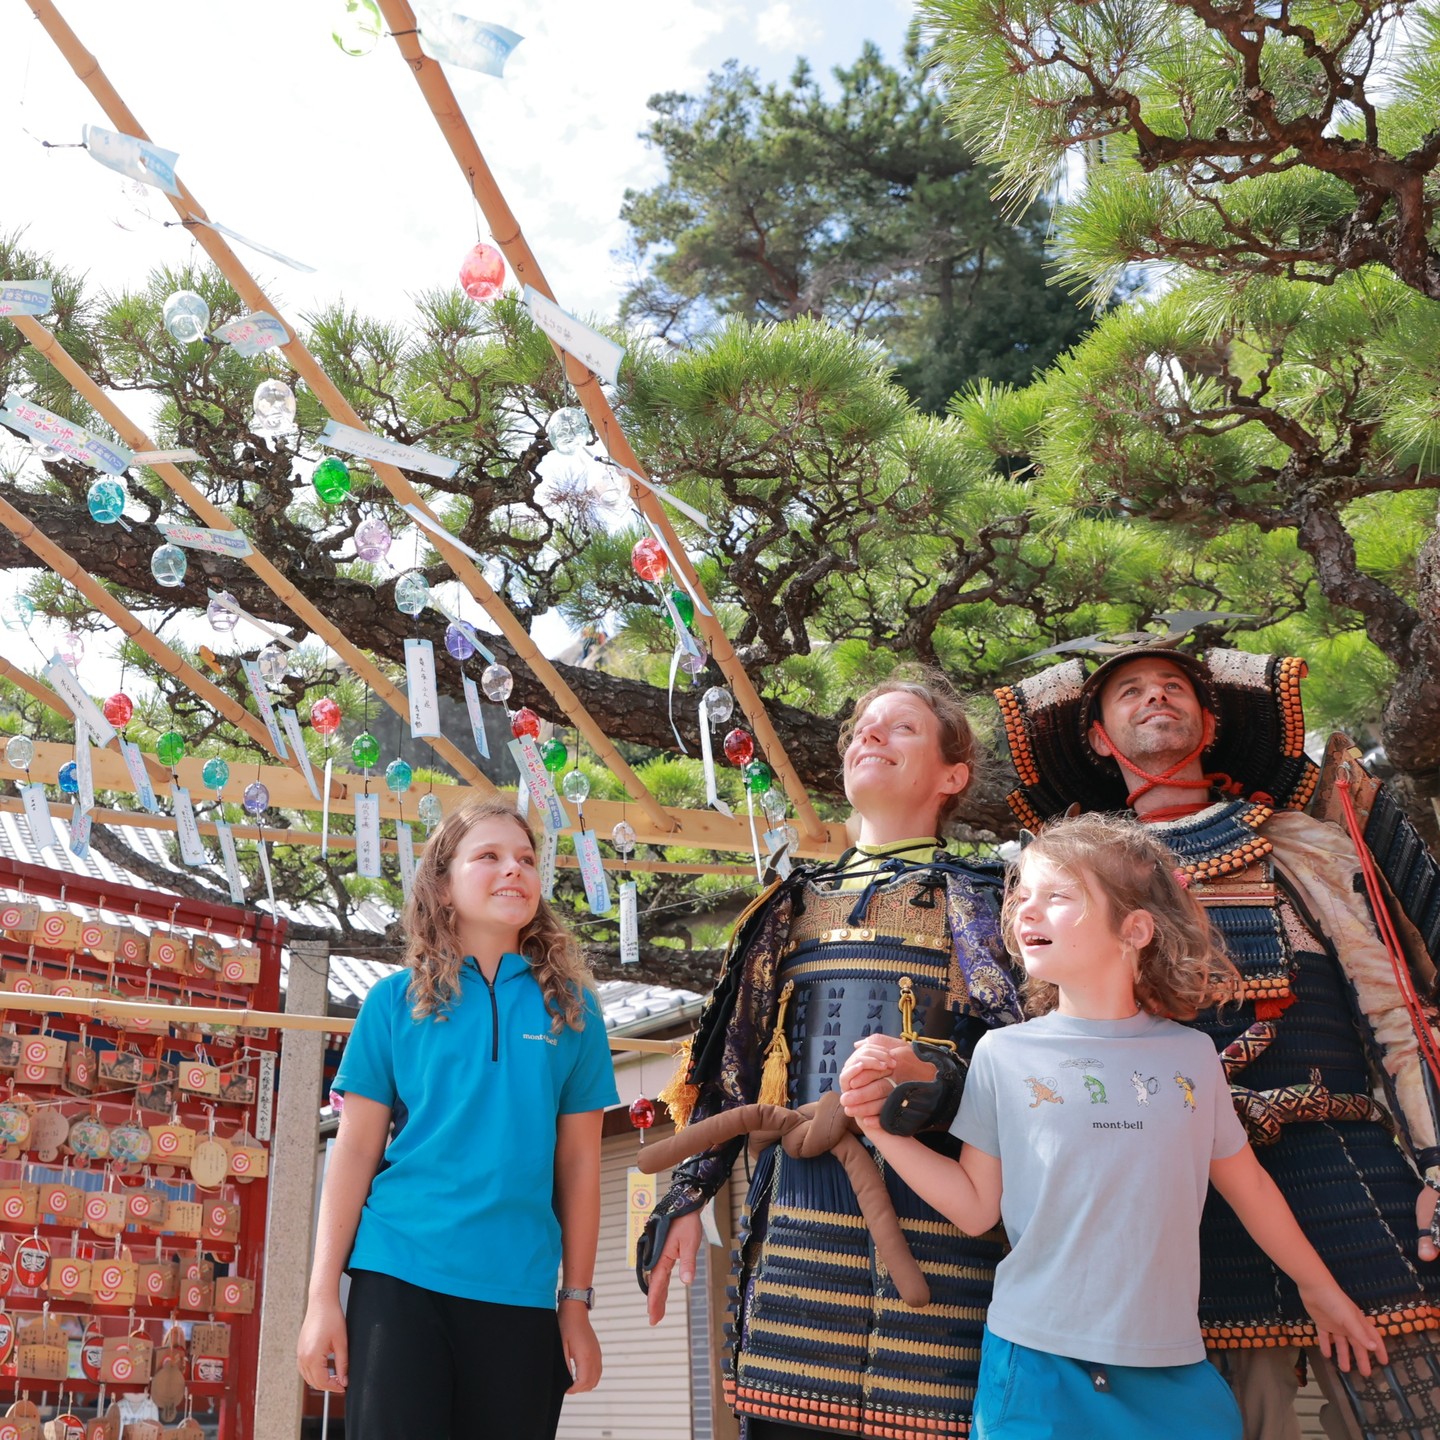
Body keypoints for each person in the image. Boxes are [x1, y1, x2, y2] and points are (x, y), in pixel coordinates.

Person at [994, 641, 1440, 1440]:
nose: (1155, 698)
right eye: (1129, 692)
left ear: (1209, 719)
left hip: (1342, 1163)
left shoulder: (1301, 845)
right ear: (1098, 736)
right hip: (1172, 1201)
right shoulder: (1066, 885)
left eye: (1174, 687)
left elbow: (1395, 1014)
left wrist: (1439, 1162)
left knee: (1412, 1405)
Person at [845, 812, 1386, 1440]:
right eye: (1021, 897)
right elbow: (974, 1207)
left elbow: (1251, 1189)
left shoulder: (1191, 1056)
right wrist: (883, 1131)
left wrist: (1318, 1290)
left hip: (1174, 1367)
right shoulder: (1002, 1054)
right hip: (1036, 1364)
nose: (1024, 912)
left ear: (1134, 929)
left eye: (1057, 896)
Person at [639, 668, 1024, 1440]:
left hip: (940, 1203)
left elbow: (1020, 1054)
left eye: (900, 727)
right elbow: (734, 1061)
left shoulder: (992, 897)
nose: (869, 736)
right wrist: (686, 1197)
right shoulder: (787, 899)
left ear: (954, 776)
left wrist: (930, 1081)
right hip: (798, 1209)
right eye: (861, 729)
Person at [296, 797, 619, 1440]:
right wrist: (321, 1298)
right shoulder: (393, 1002)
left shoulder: (574, 1011)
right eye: (489, 856)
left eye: (526, 858)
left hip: (520, 1290)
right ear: (442, 886)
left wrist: (576, 1304)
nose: (514, 870)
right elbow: (355, 1152)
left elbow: (581, 1165)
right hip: (399, 1276)